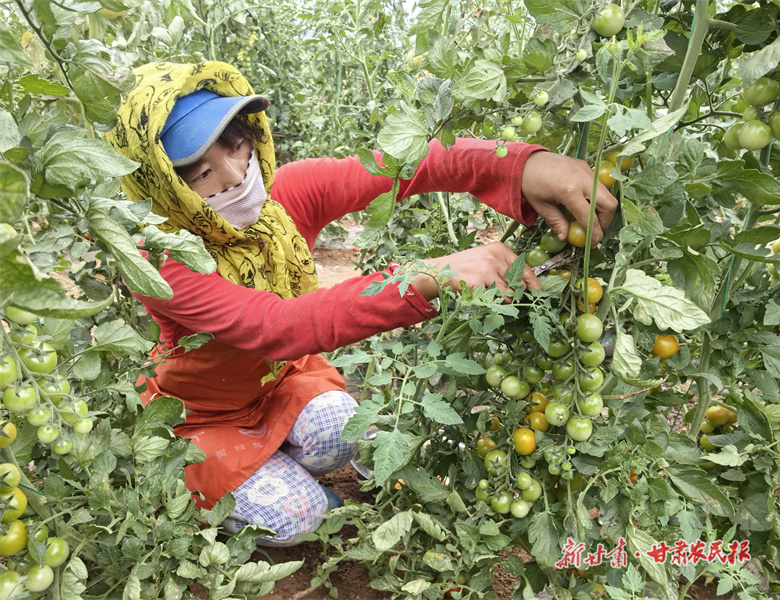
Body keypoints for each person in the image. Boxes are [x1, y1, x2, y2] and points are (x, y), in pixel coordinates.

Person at [105, 61, 617, 546]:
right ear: (162, 185)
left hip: (281, 382)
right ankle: (216, 482)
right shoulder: (161, 258)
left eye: (236, 145)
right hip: (201, 415)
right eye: (200, 174)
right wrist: (427, 276)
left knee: (342, 433)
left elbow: (399, 168)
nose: (236, 176)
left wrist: (520, 164)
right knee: (299, 516)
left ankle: (270, 461)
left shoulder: (283, 197)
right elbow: (276, 326)